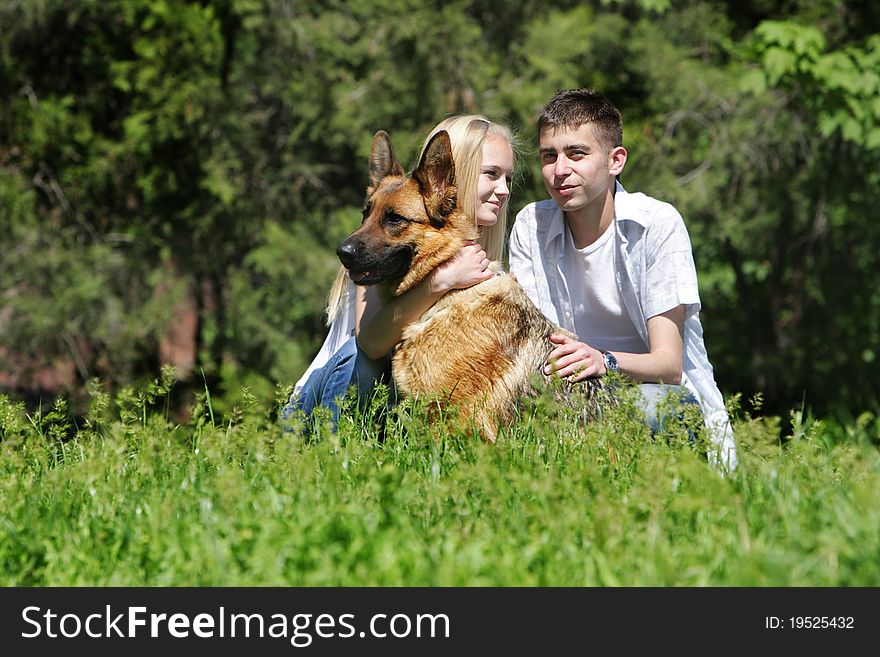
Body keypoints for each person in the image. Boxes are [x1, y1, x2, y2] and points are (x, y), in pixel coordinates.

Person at [508, 88, 737, 470]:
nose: (559, 170)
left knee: (656, 407)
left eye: (576, 154)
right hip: (565, 399)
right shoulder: (531, 225)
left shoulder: (657, 224)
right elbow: (536, 346)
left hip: (654, 397)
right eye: (549, 156)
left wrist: (604, 361)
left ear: (615, 160)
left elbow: (669, 364)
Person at [283, 115, 516, 427]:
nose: (503, 189)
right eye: (491, 174)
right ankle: (328, 459)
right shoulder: (372, 264)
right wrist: (442, 280)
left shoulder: (475, 261)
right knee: (361, 358)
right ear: (448, 178)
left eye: (508, 178)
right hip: (315, 407)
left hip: (382, 411)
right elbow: (371, 343)